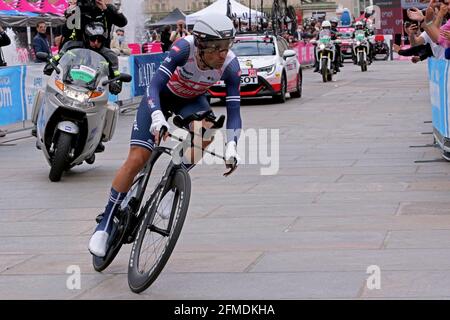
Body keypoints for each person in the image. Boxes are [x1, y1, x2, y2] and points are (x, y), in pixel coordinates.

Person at [88, 13, 242, 257]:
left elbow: (234, 111)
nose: (223, 54)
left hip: (191, 101)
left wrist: (233, 146)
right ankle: (105, 222)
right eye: (218, 48)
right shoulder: (183, 49)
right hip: (160, 97)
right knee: (138, 157)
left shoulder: (231, 66)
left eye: (227, 46)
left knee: (208, 132)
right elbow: (154, 86)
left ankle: (170, 185)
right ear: (201, 45)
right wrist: (158, 117)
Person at [44, 22, 122, 95]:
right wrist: (51, 64)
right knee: (45, 94)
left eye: (100, 40)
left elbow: (116, 74)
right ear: (87, 38)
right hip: (68, 85)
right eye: (93, 39)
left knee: (111, 109)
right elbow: (58, 57)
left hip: (93, 91)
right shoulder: (71, 46)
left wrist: (116, 83)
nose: (96, 42)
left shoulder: (110, 55)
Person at [61, 0, 127, 49]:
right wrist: (72, 15)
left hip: (102, 52)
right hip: (81, 51)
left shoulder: (106, 10)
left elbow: (122, 22)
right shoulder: (79, 11)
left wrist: (106, 9)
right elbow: (65, 33)